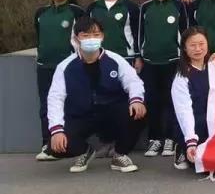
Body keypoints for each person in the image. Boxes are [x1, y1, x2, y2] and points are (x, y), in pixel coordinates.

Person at [45, 15, 146, 174]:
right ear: (76, 38)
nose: (91, 39)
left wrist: (136, 100)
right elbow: (55, 98)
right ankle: (85, 151)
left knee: (138, 112)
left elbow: (133, 81)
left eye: (96, 34)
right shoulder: (65, 67)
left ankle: (120, 154)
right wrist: (56, 130)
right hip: (81, 116)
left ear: (102, 36)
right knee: (55, 147)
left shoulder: (115, 60)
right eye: (85, 35)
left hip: (110, 113)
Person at [138, 0, 188, 158]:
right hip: (150, 62)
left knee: (171, 100)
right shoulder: (145, 7)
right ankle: (155, 139)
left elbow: (185, 32)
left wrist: (184, 57)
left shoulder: (178, 6)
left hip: (173, 61)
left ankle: (170, 139)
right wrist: (140, 56)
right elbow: (140, 34)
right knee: (152, 101)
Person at [33, 0, 84, 161]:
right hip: (44, 66)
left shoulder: (76, 12)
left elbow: (82, 37)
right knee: (46, 105)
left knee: (69, 104)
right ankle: (47, 144)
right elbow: (38, 36)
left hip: (67, 66)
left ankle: (69, 143)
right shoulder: (41, 12)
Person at [171, 26, 215, 171]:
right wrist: (191, 141)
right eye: (192, 45)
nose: (198, 49)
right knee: (206, 164)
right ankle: (181, 147)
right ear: (185, 49)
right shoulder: (182, 77)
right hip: (195, 125)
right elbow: (184, 111)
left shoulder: (214, 67)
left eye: (201, 44)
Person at [87, 0, 141, 65]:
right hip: (99, 55)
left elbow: (137, 32)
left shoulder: (131, 6)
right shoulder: (92, 7)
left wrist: (138, 56)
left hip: (125, 55)